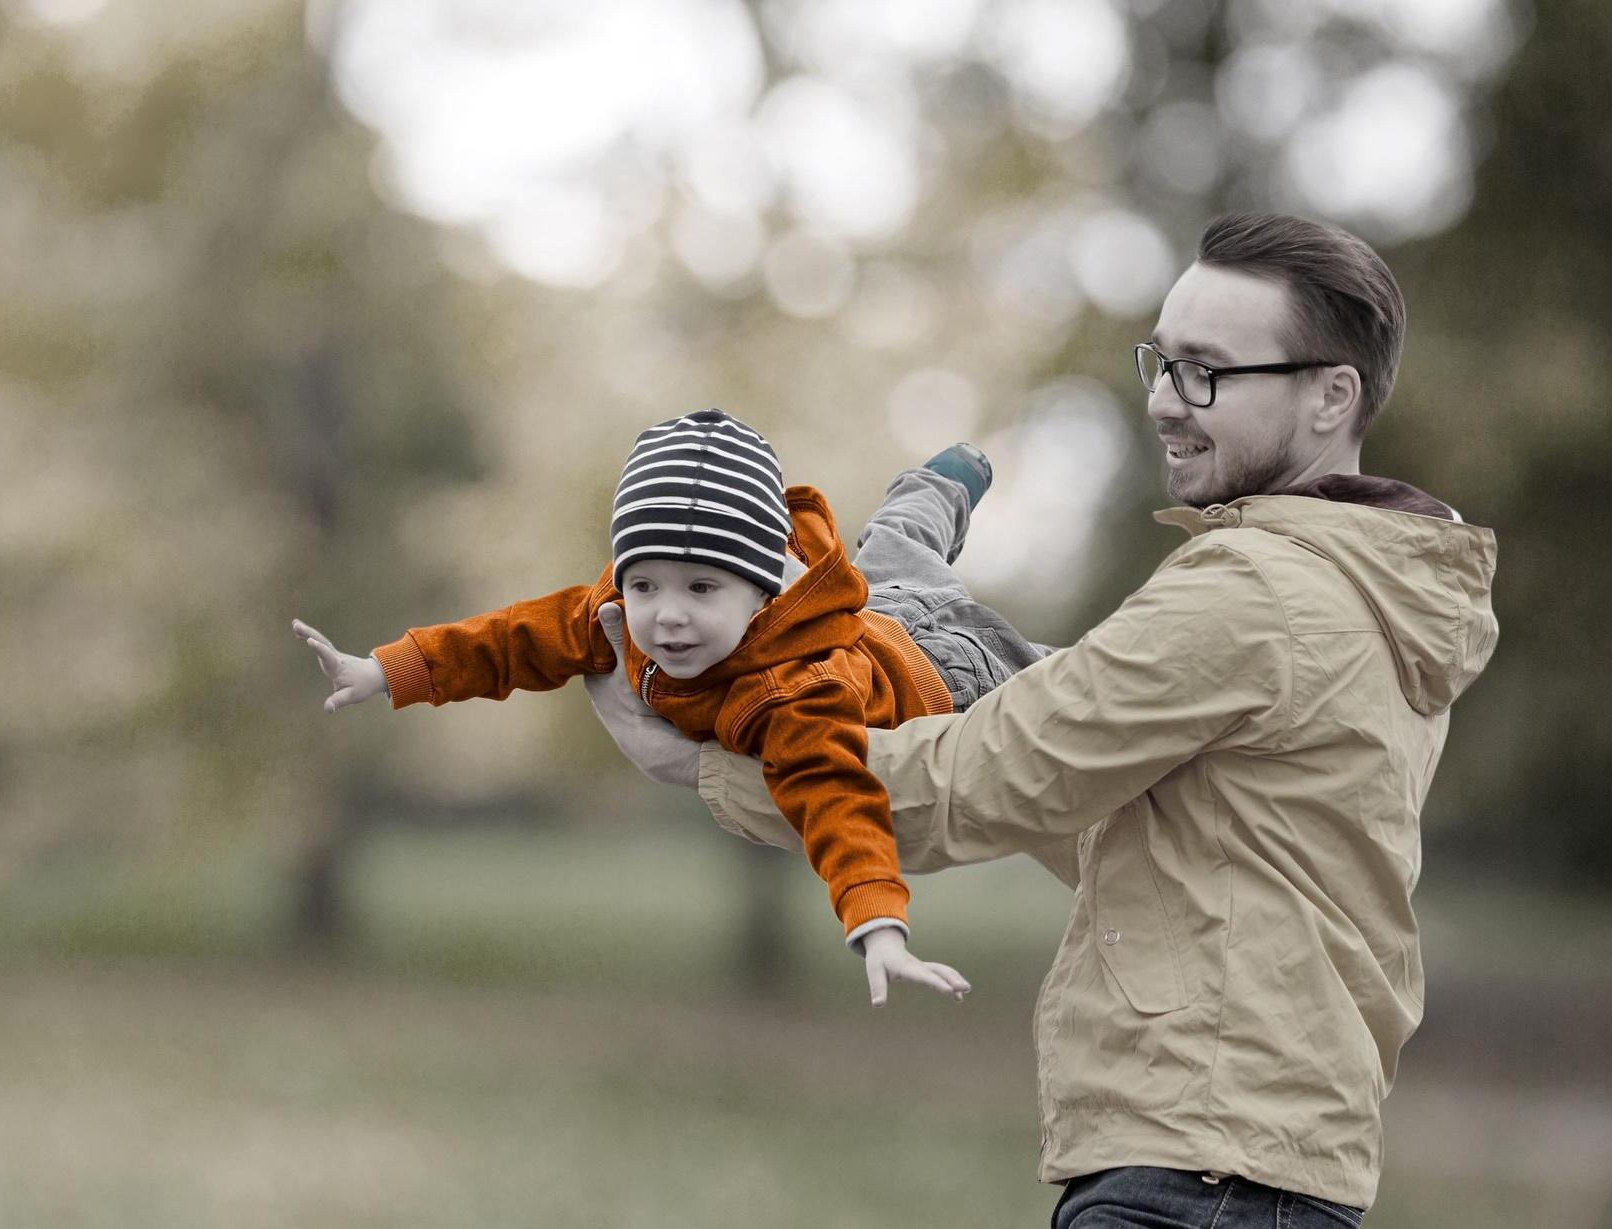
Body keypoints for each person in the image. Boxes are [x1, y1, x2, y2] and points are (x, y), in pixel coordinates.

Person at [583, 213, 1498, 1225]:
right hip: (1244, 1159)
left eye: (1206, 372)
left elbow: (980, 779)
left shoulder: (1256, 594)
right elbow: (1126, 820)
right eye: (1162, 362)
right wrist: (940, 657)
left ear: (1332, 394)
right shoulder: (1363, 588)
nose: (1164, 400)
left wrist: (697, 766)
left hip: (1198, 1176)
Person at [293, 407, 1045, 1005]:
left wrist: (878, 925)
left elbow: (836, 799)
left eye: (701, 589)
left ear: (762, 591)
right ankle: (938, 486)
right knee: (896, 550)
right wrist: (385, 670)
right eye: (646, 583)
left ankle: (943, 484)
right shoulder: (618, 612)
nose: (668, 616)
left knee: (1019, 655)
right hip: (870, 610)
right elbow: (511, 638)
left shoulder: (795, 692)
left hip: (949, 671)